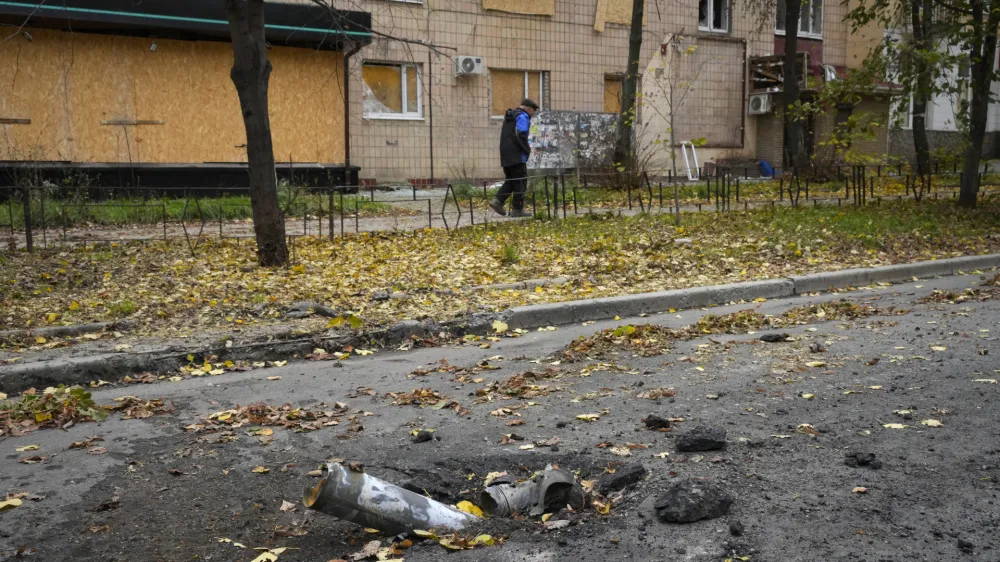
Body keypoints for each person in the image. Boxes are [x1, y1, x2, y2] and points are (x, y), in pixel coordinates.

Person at [490, 98, 538, 217]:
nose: (532, 114)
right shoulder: (522, 116)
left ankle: (497, 201)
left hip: (506, 154)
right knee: (521, 180)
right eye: (533, 111)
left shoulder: (510, 117)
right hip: (517, 155)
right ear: (528, 109)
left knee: (512, 180)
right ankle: (518, 209)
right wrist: (527, 150)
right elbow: (520, 134)